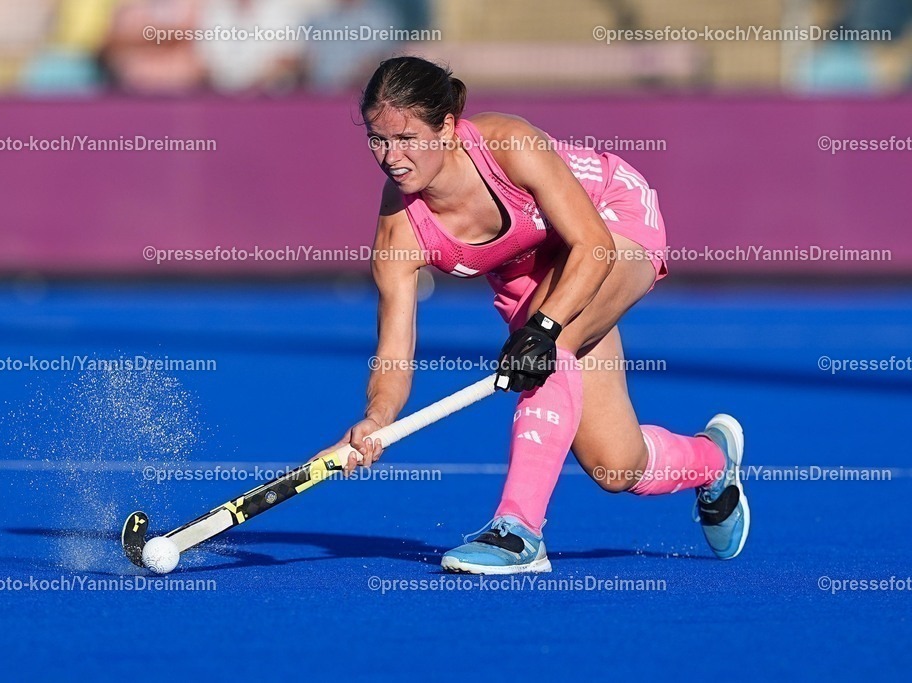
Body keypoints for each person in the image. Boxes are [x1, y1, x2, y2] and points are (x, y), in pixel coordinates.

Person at [318, 56, 750, 574]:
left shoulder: (508, 143)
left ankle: (517, 530)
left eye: (407, 139)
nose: (391, 157)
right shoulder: (398, 232)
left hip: (609, 222)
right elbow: (393, 353)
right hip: (530, 273)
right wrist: (377, 420)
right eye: (378, 139)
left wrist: (544, 329)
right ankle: (712, 462)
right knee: (616, 466)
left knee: (548, 349)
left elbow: (592, 246)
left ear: (449, 128)